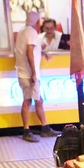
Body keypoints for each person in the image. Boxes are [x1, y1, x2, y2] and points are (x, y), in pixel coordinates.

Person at [15, 11, 60, 143]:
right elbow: (29, 53)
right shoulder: (31, 32)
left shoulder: (23, 32)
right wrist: (34, 73)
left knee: (38, 100)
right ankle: (26, 131)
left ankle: (45, 128)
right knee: (28, 101)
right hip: (28, 74)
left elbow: (32, 49)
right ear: (37, 22)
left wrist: (43, 51)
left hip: (24, 72)